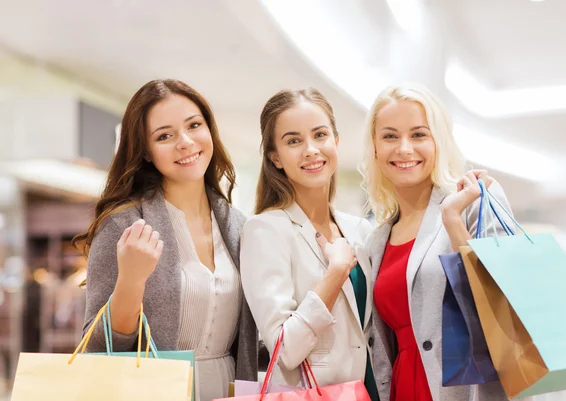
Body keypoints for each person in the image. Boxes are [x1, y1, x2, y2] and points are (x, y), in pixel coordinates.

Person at [74, 79, 258, 401]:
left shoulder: (239, 226)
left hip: (230, 388)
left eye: (194, 125)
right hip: (155, 390)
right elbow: (98, 347)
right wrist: (131, 280)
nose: (185, 142)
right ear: (145, 151)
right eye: (165, 136)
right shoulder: (123, 224)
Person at [360, 83, 510, 401]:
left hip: (466, 391)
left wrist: (453, 221)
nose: (404, 148)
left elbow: (504, 303)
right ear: (374, 146)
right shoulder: (377, 240)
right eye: (389, 136)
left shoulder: (476, 201)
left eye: (418, 135)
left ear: (438, 141)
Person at [240, 88, 378, 400]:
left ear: (336, 141)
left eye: (320, 135)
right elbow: (284, 349)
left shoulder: (359, 230)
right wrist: (335, 273)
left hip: (367, 389)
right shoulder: (265, 229)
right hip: (312, 393)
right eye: (293, 141)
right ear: (274, 156)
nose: (311, 149)